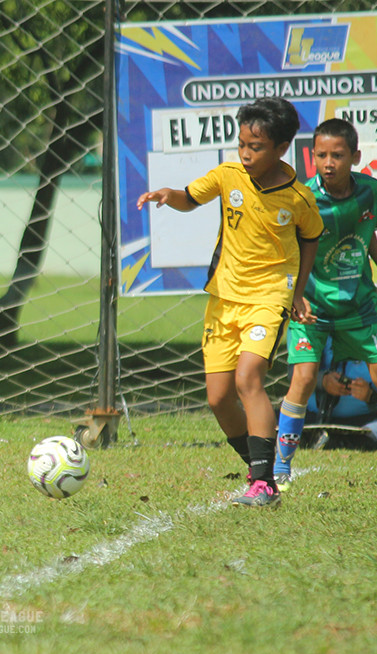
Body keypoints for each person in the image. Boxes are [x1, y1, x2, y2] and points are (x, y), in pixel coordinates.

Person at [137, 97, 324, 508]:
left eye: (255, 147)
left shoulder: (298, 198)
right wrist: (170, 195)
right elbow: (191, 196)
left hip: (268, 295)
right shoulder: (228, 175)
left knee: (248, 378)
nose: (245, 153)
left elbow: (310, 236)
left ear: (280, 148)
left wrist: (296, 290)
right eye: (241, 144)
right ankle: (260, 467)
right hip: (223, 299)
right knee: (218, 397)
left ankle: (263, 483)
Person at [273, 117, 377, 489]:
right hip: (313, 308)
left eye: (337, 155)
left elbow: (366, 233)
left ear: (355, 156)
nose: (328, 163)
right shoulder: (304, 199)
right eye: (321, 156)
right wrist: (295, 295)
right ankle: (281, 471)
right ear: (311, 157)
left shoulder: (370, 190)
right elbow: (290, 251)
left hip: (359, 306)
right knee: (302, 379)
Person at [300, 289, 377, 452]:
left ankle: (341, 441)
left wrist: (370, 397)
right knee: (281, 413)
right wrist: (323, 381)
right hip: (317, 414)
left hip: (368, 422)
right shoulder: (331, 333)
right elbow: (297, 375)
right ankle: (316, 435)